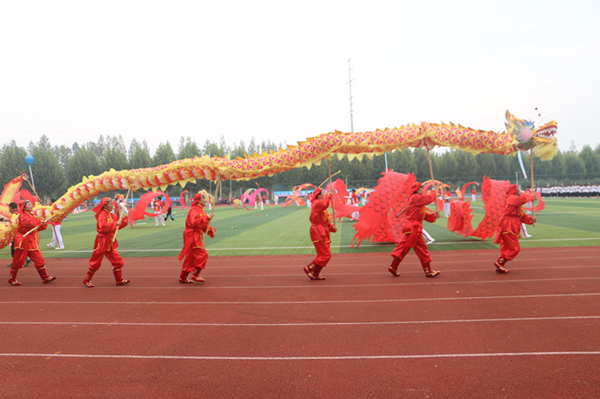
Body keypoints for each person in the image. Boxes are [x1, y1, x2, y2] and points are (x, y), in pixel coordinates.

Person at [388, 182, 441, 278]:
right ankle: (428, 271)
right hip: (414, 229)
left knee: (403, 248)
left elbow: (423, 216)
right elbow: (428, 199)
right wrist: (434, 192)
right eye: (421, 188)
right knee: (422, 250)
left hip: (411, 228)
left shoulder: (417, 201)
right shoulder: (415, 197)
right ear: (417, 190)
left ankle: (393, 267)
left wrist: (434, 216)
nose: (422, 190)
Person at [83, 197, 130, 287]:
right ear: (104, 205)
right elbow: (103, 227)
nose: (112, 206)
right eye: (110, 204)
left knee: (118, 261)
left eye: (112, 204)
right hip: (102, 241)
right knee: (95, 262)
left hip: (110, 242)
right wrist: (116, 224)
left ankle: (119, 280)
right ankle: (87, 280)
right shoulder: (102, 214)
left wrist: (125, 217)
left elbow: (117, 226)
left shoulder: (111, 215)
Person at [8, 200, 56, 285]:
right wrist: (40, 222)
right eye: (29, 204)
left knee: (39, 259)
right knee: (17, 260)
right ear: (24, 207)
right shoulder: (22, 216)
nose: (31, 205)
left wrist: (43, 223)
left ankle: (45, 277)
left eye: (31, 204)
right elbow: (29, 224)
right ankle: (12, 279)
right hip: (22, 241)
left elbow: (35, 227)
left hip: (31, 241)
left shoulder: (31, 215)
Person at [493, 185, 536, 273]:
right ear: (514, 191)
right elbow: (521, 200)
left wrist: (531, 219)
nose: (520, 191)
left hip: (510, 226)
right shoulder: (511, 198)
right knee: (514, 248)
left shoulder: (516, 205)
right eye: (519, 190)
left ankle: (500, 265)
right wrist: (530, 197)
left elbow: (522, 216)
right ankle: (500, 262)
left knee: (505, 247)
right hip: (509, 226)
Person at [178, 193, 215, 284]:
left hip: (196, 235)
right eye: (203, 198)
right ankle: (195, 274)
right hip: (192, 236)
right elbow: (194, 223)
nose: (205, 200)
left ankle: (183, 277)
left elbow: (203, 224)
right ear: (198, 200)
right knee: (203, 254)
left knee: (191, 257)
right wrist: (206, 218)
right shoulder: (194, 210)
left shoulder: (201, 210)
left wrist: (210, 228)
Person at [303, 188, 337, 280]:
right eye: (323, 193)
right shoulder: (317, 203)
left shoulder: (320, 204)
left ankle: (315, 273)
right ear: (318, 195)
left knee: (322, 255)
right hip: (318, 232)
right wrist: (329, 195)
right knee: (326, 255)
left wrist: (332, 227)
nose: (325, 193)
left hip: (323, 231)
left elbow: (325, 220)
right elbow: (324, 205)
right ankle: (310, 267)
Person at [2, 202, 32, 268]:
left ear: (10, 208)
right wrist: (7, 220)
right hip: (21, 233)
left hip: (17, 234)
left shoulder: (14, 214)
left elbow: (14, 225)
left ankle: (17, 261)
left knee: (14, 248)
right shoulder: (18, 213)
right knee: (19, 248)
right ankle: (26, 258)